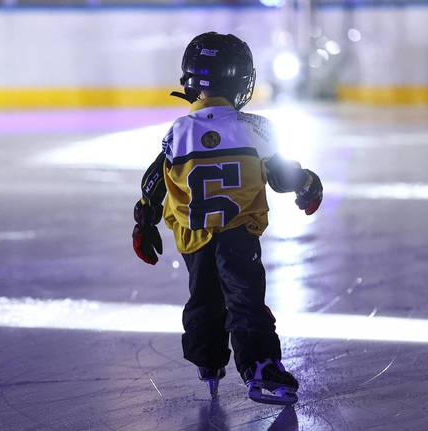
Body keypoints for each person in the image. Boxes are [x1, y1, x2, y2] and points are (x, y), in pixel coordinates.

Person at [132, 32, 323, 405]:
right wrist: (308, 185)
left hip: (194, 235)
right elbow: (283, 176)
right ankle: (261, 365)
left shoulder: (179, 131)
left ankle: (208, 361)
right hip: (238, 232)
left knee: (202, 298)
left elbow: (155, 179)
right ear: (240, 81)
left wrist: (145, 220)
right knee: (245, 298)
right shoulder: (255, 128)